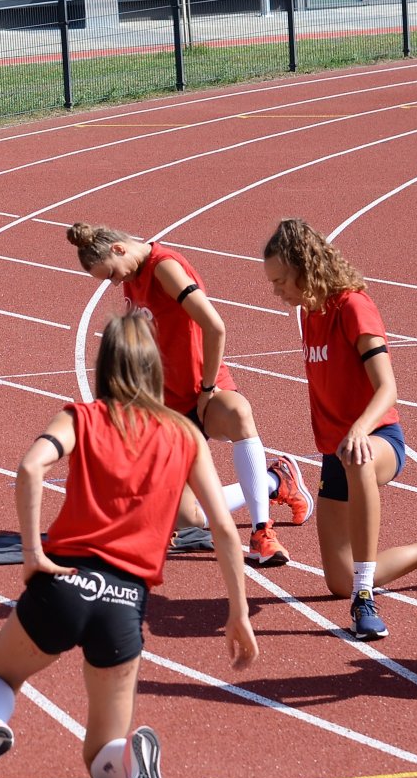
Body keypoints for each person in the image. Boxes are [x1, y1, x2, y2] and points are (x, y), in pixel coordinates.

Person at [0, 312, 257, 778]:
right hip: (126, 602)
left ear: (103, 366)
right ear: (157, 370)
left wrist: (34, 555)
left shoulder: (81, 417)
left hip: (63, 584)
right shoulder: (184, 436)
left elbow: (29, 466)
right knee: (99, 755)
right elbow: (221, 527)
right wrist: (237, 611)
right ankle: (132, 758)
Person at [261, 218, 417, 641]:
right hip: (335, 453)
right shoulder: (309, 313)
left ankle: (364, 597)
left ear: (306, 269)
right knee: (335, 580)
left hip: (378, 440)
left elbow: (387, 388)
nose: (277, 292)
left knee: (358, 462)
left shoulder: (353, 306)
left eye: (282, 280)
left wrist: (359, 429)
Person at [66, 222, 310, 568]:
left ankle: (262, 533)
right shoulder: (134, 278)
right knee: (187, 520)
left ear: (118, 249)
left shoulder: (164, 267)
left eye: (111, 274)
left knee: (240, 413)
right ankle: (275, 480)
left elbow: (215, 326)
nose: (115, 282)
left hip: (203, 392)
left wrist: (208, 389)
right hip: (169, 407)